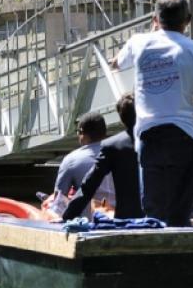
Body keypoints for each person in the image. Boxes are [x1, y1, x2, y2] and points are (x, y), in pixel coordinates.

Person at [112, 0, 193, 226]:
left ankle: (154, 252)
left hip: (149, 136)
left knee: (153, 208)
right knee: (180, 209)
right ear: (188, 20)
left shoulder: (138, 42)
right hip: (184, 137)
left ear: (155, 19)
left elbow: (116, 63)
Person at [61, 94, 143, 222]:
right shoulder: (159, 143)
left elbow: (89, 186)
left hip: (126, 220)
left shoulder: (113, 146)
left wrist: (66, 217)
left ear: (121, 118)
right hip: (160, 217)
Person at [50, 111, 116, 218]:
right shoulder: (121, 155)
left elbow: (59, 202)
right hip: (121, 222)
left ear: (82, 133)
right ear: (104, 132)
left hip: (87, 225)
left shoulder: (71, 160)